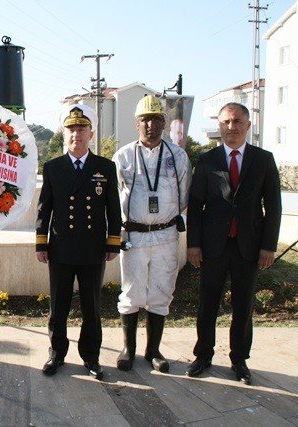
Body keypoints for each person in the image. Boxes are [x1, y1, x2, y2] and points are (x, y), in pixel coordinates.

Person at [186, 102, 282, 385]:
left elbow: (273, 206)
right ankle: (203, 355)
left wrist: (268, 246)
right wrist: (194, 245)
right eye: (226, 121)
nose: (231, 126)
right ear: (220, 125)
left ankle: (239, 359)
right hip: (214, 247)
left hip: (248, 247)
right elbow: (196, 204)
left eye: (237, 121)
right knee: (208, 304)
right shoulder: (207, 160)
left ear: (248, 125)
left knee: (243, 305)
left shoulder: (264, 160)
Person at [36, 104, 122, 380]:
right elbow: (44, 209)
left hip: (92, 249)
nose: (77, 134)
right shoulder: (53, 167)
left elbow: (113, 209)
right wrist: (41, 243)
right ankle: (56, 353)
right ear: (65, 133)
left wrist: (112, 244)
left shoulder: (105, 167)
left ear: (91, 133)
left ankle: (91, 357)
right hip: (61, 249)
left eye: (82, 128)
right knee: (58, 307)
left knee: (91, 308)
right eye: (71, 129)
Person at [112, 95, 192, 373]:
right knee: (131, 292)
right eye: (145, 120)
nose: (150, 125)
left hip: (166, 236)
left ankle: (153, 350)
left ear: (164, 122)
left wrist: (163, 218)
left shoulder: (178, 156)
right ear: (137, 124)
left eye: (156, 119)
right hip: (134, 236)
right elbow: (115, 198)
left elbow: (184, 195)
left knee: (161, 292)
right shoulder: (122, 156)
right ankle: (128, 349)